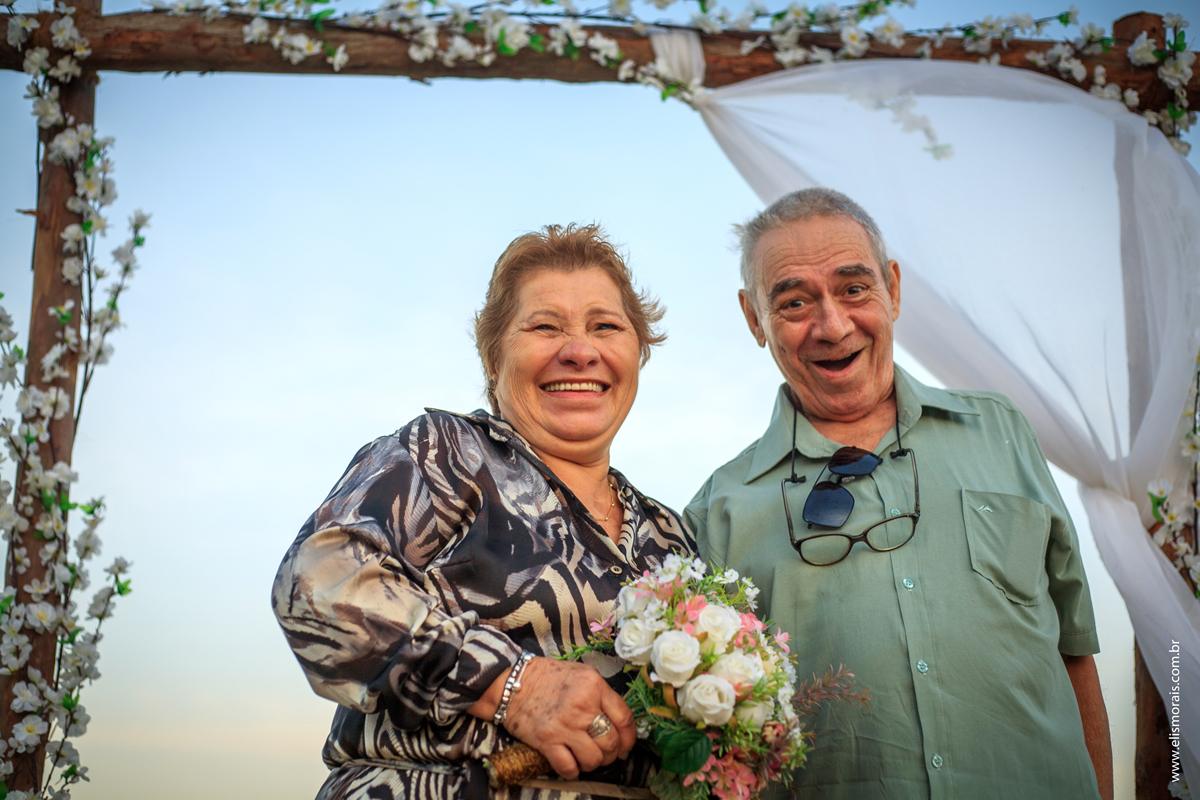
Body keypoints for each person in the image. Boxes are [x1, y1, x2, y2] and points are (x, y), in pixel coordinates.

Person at [683, 188, 1114, 800]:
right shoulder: (718, 510)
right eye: (795, 302)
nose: (832, 326)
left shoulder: (1001, 431)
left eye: (854, 288)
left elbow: (1075, 652)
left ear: (893, 289)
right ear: (755, 319)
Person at [273, 223, 694, 800]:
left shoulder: (671, 535)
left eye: (607, 327)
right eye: (545, 327)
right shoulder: (446, 454)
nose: (580, 350)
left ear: (637, 355)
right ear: (494, 361)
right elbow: (319, 581)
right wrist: (512, 686)